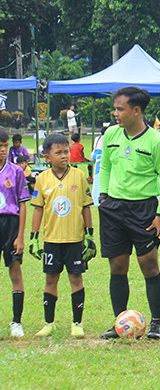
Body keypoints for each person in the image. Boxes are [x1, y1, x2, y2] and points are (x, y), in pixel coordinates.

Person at [98, 86, 160, 340]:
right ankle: (120, 323)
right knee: (118, 266)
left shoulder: (157, 141)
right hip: (113, 208)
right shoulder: (110, 134)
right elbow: (105, 166)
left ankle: (156, 324)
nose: (115, 113)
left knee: (149, 265)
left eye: (120, 109)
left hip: (144, 210)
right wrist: (103, 196)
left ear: (136, 111)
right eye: (115, 109)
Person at [26, 133, 94, 338]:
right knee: (51, 279)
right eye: (59, 153)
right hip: (52, 240)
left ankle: (77, 323)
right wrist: (34, 237)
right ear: (47, 157)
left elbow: (86, 207)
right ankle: (49, 323)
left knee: (76, 278)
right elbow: (38, 209)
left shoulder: (79, 176)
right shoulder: (42, 179)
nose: (64, 156)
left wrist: (90, 236)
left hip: (74, 239)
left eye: (66, 152)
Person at [0, 128, 30, 338]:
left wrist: (20, 236)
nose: (2, 150)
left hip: (10, 224)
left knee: (15, 271)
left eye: (4, 146)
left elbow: (22, 205)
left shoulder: (16, 171)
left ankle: (17, 322)